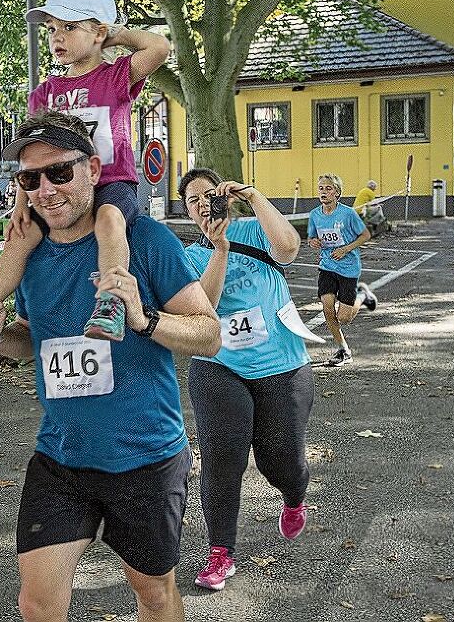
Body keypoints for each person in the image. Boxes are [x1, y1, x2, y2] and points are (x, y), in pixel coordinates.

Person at [0, 113, 221, 622]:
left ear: (94, 169)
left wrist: (145, 320)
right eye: (29, 179)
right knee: (37, 604)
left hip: (144, 458)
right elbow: (31, 343)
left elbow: (208, 335)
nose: (44, 190)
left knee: (154, 594)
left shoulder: (146, 241)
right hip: (62, 458)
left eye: (59, 173)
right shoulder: (27, 251)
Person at [0, 0, 171, 356]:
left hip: (111, 183)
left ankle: (110, 301)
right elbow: (30, 156)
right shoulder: (45, 92)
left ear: (98, 31)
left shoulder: (115, 77)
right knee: (21, 236)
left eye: (69, 27)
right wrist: (20, 206)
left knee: (110, 220)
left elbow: (159, 46)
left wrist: (112, 35)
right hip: (58, 187)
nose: (56, 37)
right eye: (51, 29)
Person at [180, 168, 316, 591]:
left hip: (282, 363)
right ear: (187, 212)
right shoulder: (189, 255)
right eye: (193, 201)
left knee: (281, 458)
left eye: (210, 195)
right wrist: (218, 249)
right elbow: (206, 304)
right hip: (220, 365)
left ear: (226, 196)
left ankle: (294, 495)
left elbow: (290, 248)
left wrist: (254, 197)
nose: (204, 205)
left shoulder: (256, 230)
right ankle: (220, 552)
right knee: (222, 459)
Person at [308, 173, 378, 367]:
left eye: (328, 188)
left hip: (347, 268)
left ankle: (362, 295)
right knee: (327, 308)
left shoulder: (348, 214)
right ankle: (343, 350)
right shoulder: (315, 214)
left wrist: (345, 249)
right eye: (321, 188)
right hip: (327, 267)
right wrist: (313, 242)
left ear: (337, 193)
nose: (323, 191)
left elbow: (365, 235)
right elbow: (312, 238)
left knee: (343, 318)